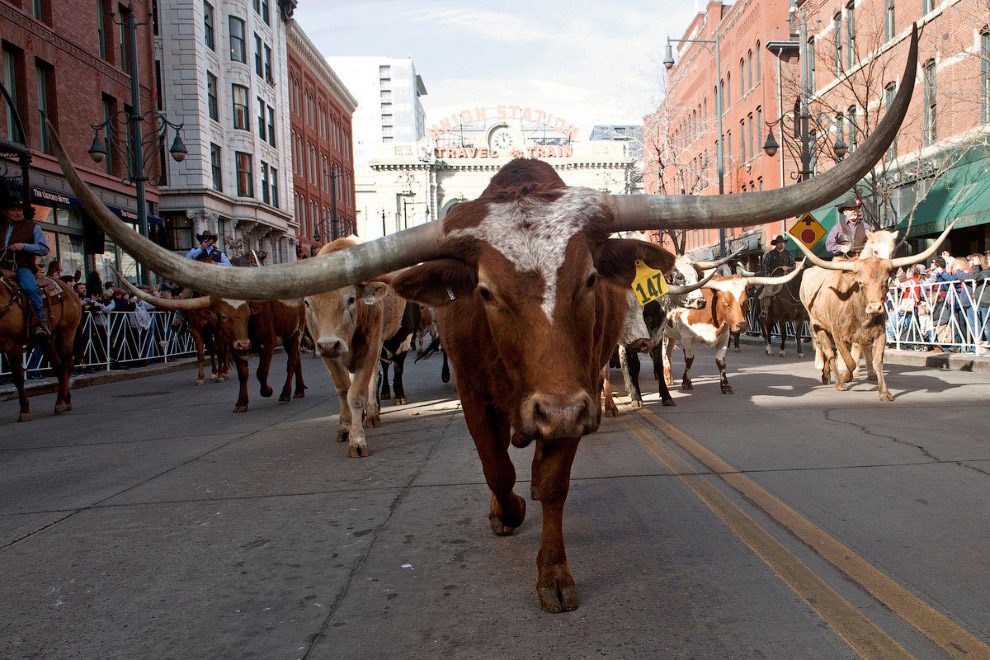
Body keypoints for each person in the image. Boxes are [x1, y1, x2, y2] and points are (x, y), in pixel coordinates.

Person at [0, 183, 51, 340]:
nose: (17, 212)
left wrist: (24, 246)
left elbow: (44, 249)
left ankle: (40, 324)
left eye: (19, 209)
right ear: (5, 212)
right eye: (13, 209)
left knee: (31, 288)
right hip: (1, 267)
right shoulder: (0, 227)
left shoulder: (32, 227)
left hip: (22, 267)